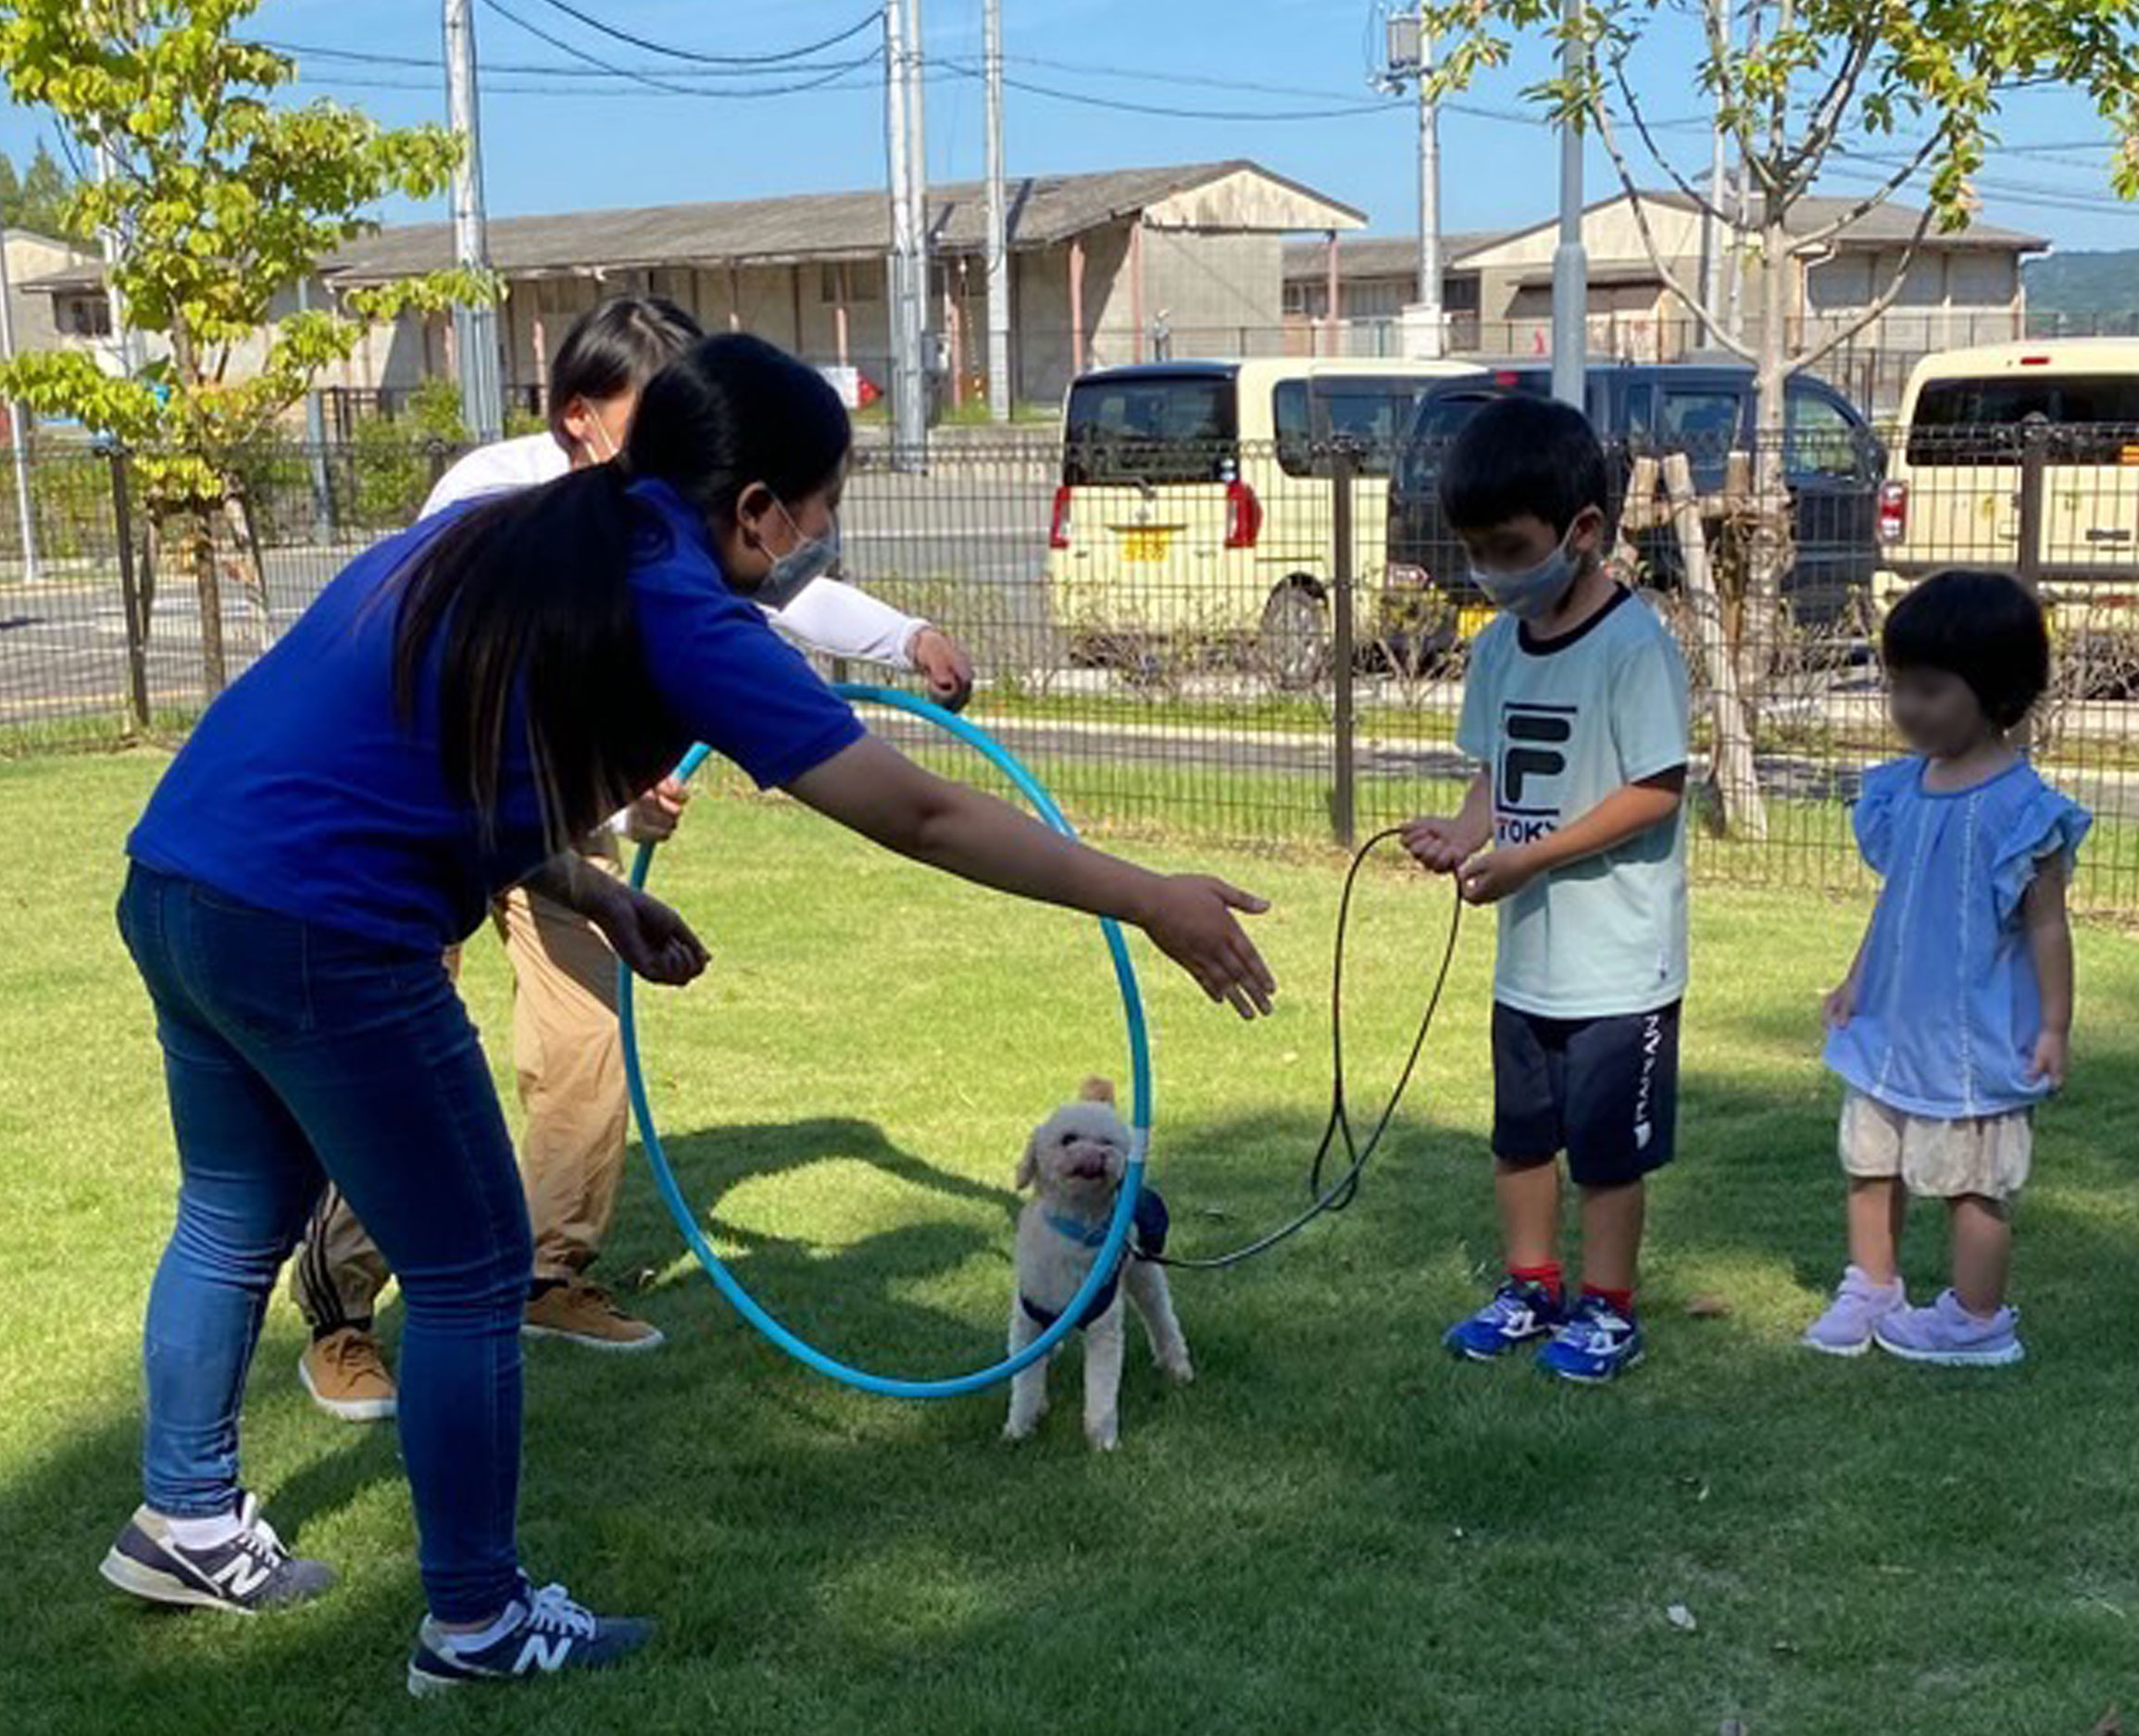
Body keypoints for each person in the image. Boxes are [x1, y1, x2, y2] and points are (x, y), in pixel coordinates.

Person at [103, 334, 1274, 1692]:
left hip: (181, 877)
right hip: (321, 923)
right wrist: (1148, 899)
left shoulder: (514, 536)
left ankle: (182, 1517)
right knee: (478, 1265)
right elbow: (918, 807)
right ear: (759, 509)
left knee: (228, 1213)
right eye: (822, 512)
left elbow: (412, 753)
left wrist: (588, 891)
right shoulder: (673, 597)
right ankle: (476, 1621)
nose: (818, 545)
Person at [292, 297, 979, 1419]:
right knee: (406, 1070)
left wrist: (903, 638)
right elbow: (455, 675)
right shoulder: (497, 497)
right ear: (581, 420)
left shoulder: (680, 523)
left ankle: (546, 1273)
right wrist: (609, 757)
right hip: (429, 818)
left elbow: (786, 584)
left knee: (584, 1039)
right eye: (658, 410)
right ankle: (344, 1314)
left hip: (563, 820)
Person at [1401, 394, 1690, 1385]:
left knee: (1607, 1154)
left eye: (1509, 546)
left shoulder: (1632, 646)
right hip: (1530, 963)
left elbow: (1656, 791)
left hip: (1619, 967)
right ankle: (1531, 1288)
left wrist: (1534, 857)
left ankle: (1607, 1309)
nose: (1490, 569)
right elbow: (1496, 775)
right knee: (1522, 1139)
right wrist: (1465, 833)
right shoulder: (1496, 647)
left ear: (1583, 532)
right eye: (1474, 549)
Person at [1805, 569, 2087, 1368]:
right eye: (1899, 687)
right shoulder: (1908, 789)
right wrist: (1857, 978)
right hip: (1893, 1018)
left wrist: (2055, 1025)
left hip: (1971, 1033)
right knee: (1869, 1156)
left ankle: (1975, 1319)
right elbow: (1899, 903)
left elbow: (2048, 927)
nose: (1906, 708)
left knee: (1973, 1179)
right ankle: (1872, 1283)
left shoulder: (2021, 810)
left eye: (1929, 690)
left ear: (1994, 691)